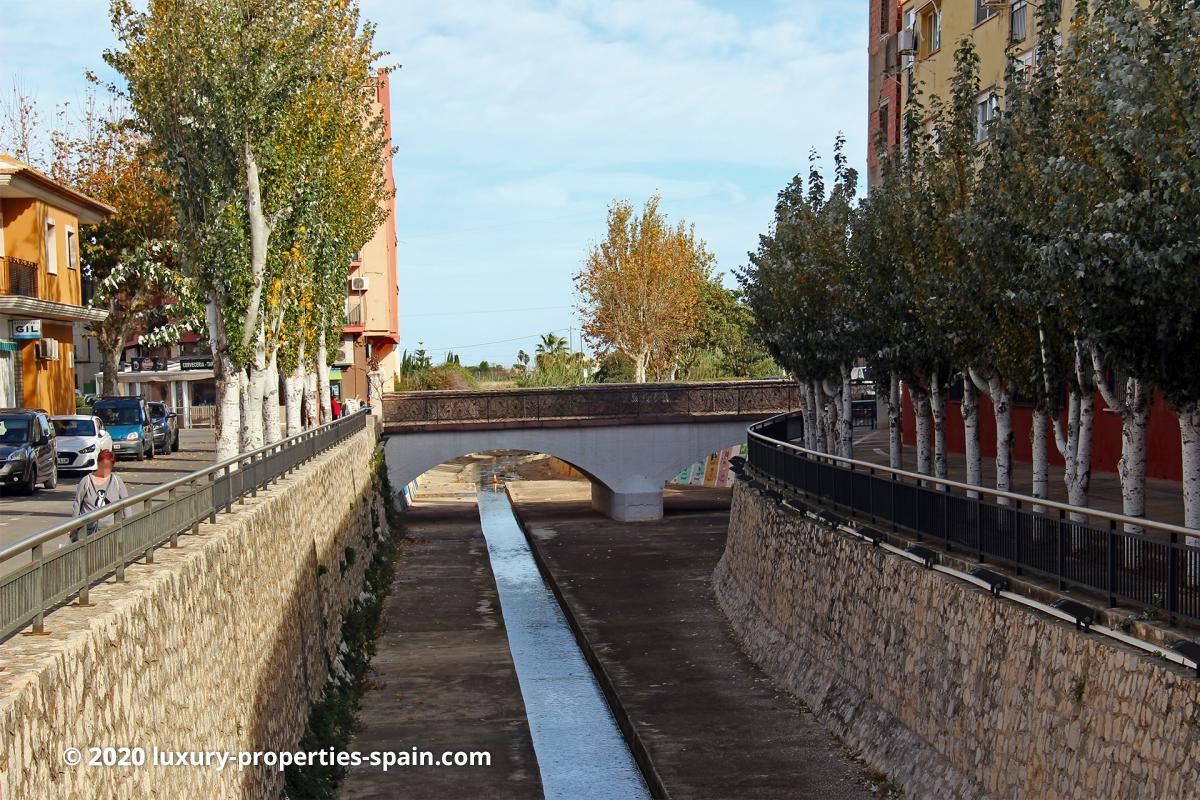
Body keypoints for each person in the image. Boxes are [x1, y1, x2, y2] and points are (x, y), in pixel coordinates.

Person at [71, 450, 131, 541]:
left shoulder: (116, 481)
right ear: (98, 463)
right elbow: (77, 504)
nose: (105, 470)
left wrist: (128, 523)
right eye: (103, 466)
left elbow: (126, 504)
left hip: (110, 530)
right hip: (88, 531)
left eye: (108, 467)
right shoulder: (86, 481)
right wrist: (73, 526)